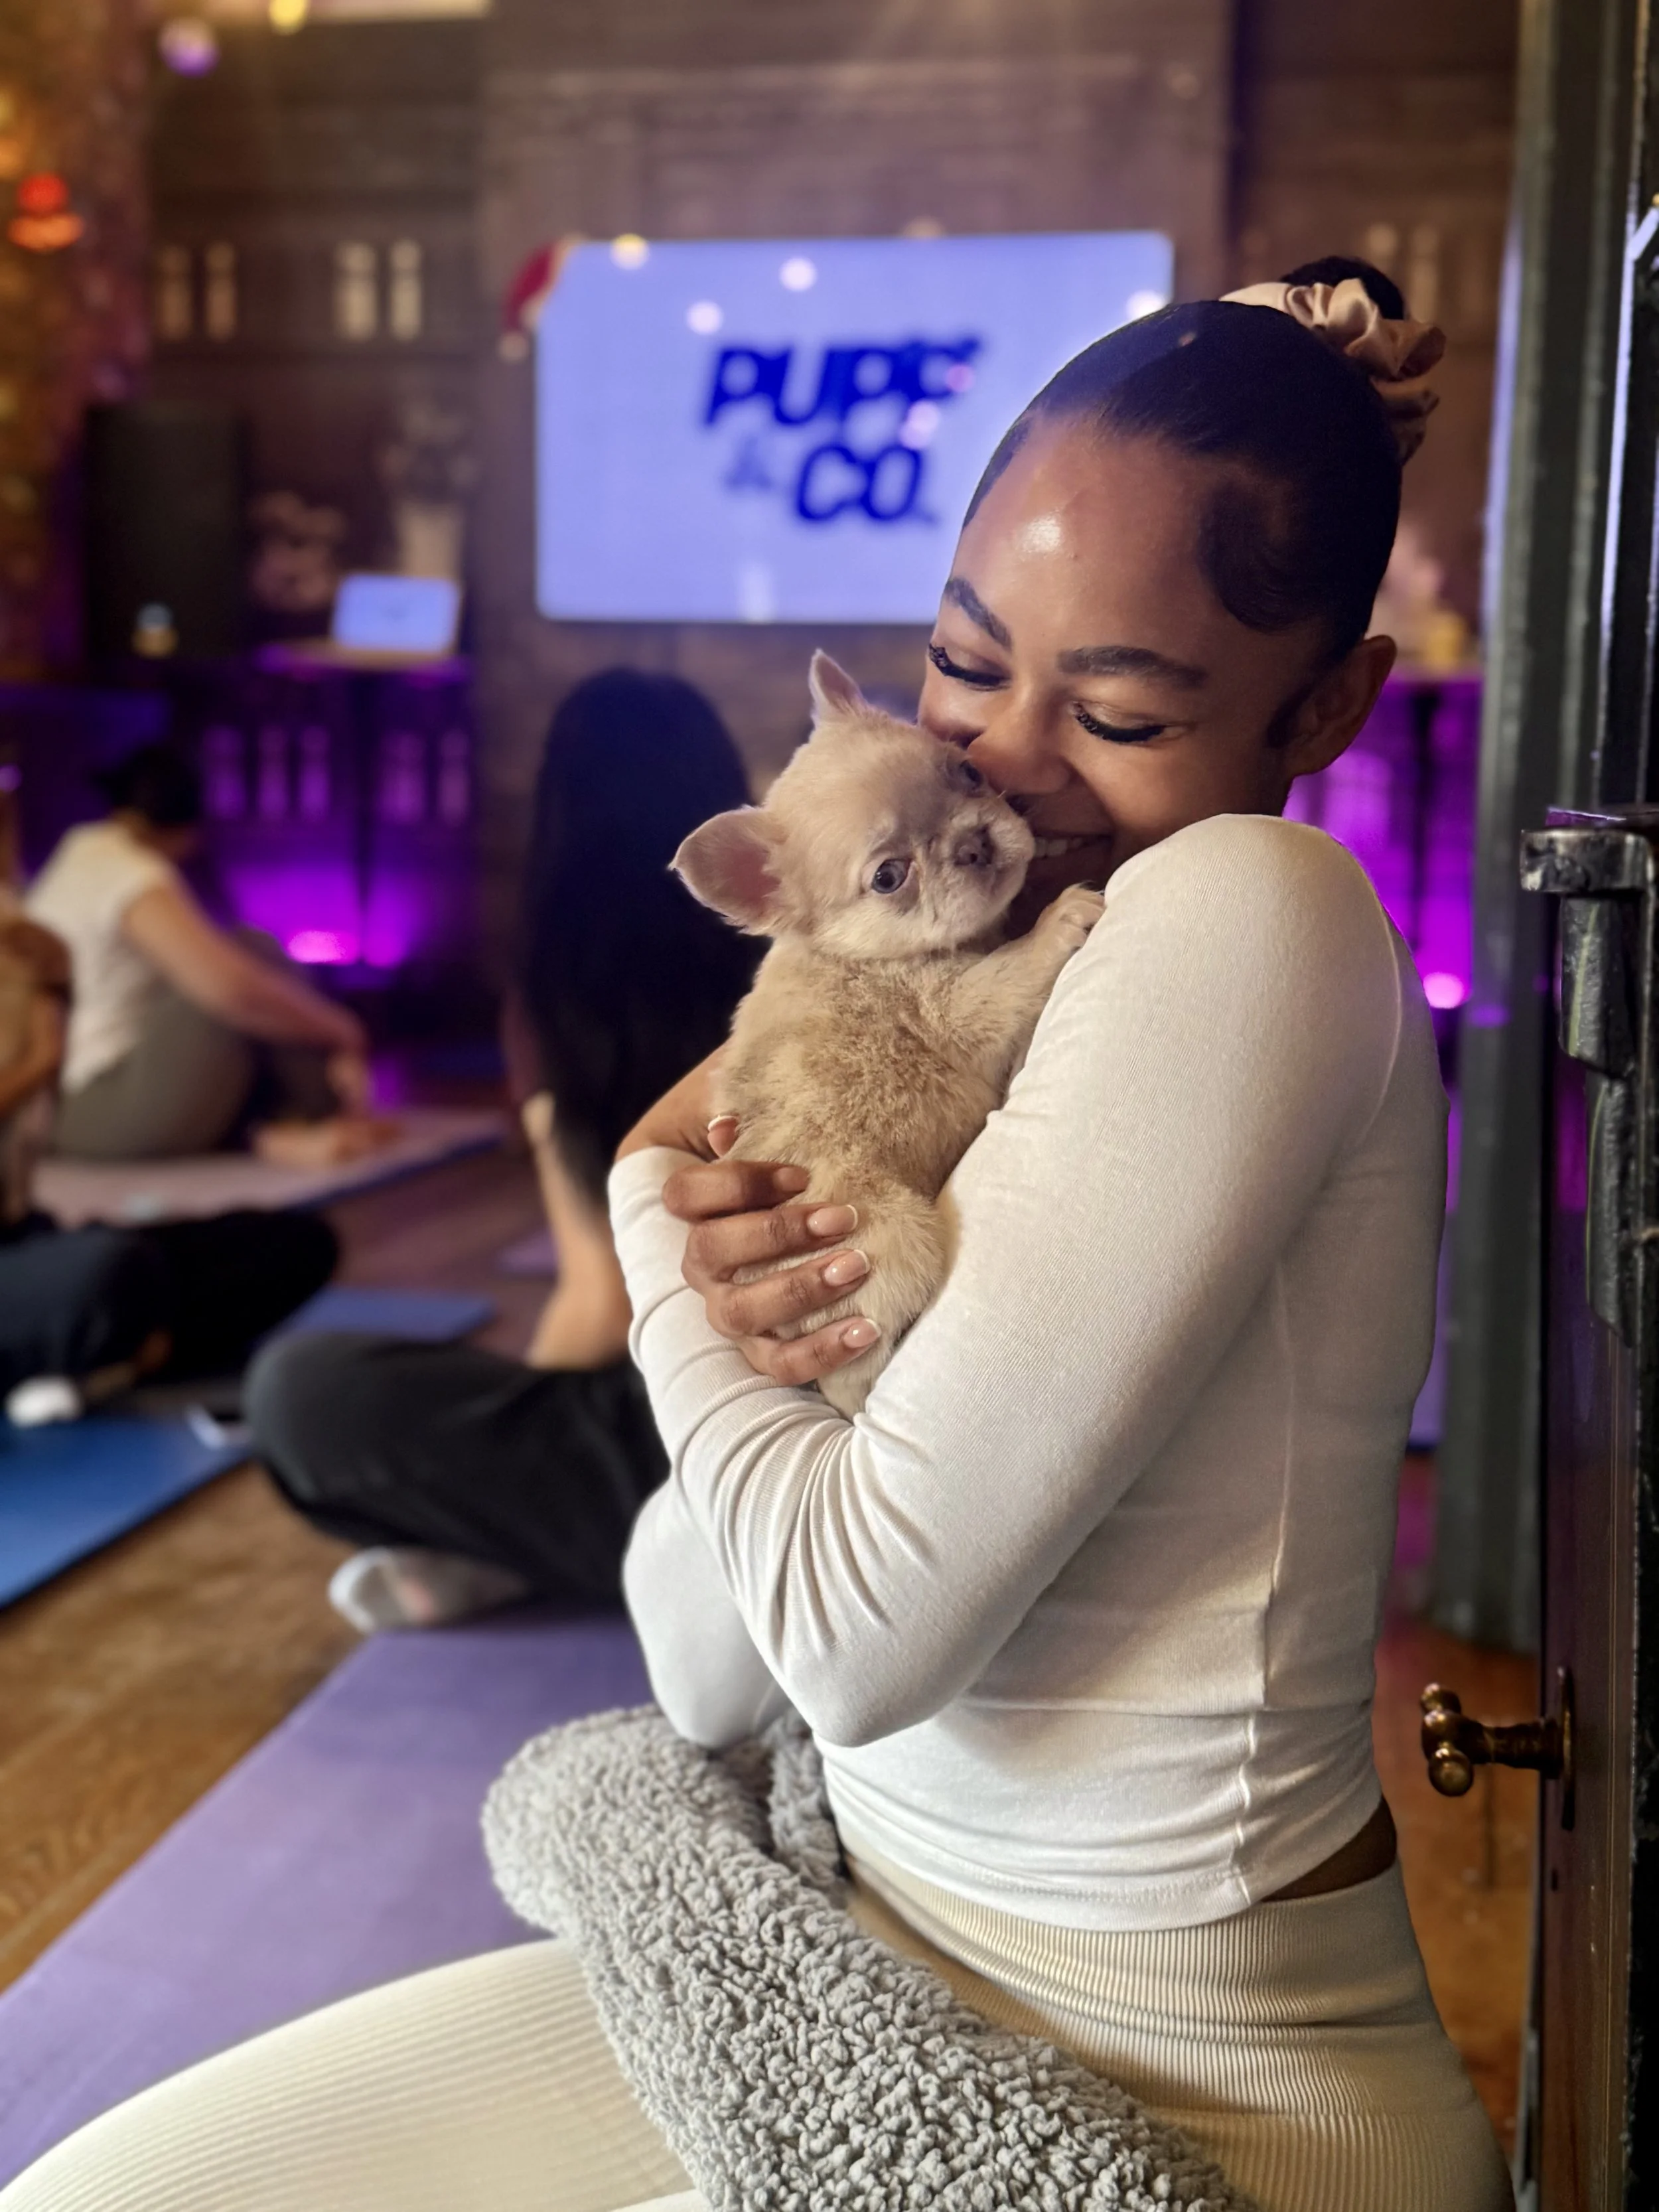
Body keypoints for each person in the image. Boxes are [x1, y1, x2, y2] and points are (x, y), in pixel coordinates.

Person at [1, 263, 1512, 2212]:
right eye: (968, 663)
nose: (1006, 771)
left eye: (1120, 706)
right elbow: (717, 1669)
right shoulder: (973, 991)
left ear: (1325, 705)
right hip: (856, 1955)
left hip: (1200, 2093)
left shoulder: (1247, 910)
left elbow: (849, 1636)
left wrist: (652, 1210)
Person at [244, 670, 760, 1631]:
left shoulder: (558, 1002)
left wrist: (519, 1430)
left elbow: (603, 1303)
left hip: (690, 1444)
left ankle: (559, 1548)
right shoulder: (792, 955)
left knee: (300, 1396)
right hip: (846, 1436)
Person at [0, 905, 337, 1409]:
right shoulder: (27, 1069)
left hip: (37, 1255)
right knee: (105, 1271)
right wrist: (32, 1065)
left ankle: (113, 1352)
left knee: (294, 1241)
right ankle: (108, 1347)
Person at [26, 745, 376, 1161]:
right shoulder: (127, 871)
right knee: (251, 954)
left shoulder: (79, 858)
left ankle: (284, 1125)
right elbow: (232, 991)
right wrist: (341, 1030)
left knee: (225, 971)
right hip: (106, 1104)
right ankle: (322, 1108)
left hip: (63, 1108)